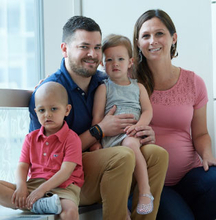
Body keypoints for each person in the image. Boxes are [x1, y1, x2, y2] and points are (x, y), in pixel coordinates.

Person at [28, 16, 168, 220]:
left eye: (97, 47)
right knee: (123, 155)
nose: (92, 54)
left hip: (103, 160)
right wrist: (99, 131)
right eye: (84, 47)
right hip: (64, 179)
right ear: (65, 49)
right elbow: (46, 156)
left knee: (157, 154)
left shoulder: (103, 81)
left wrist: (143, 131)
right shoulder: (50, 92)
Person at [133, 9, 216, 220]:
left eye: (159, 33)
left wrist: (207, 155)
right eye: (146, 35)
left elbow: (199, 134)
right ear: (137, 43)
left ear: (173, 38)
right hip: (153, 183)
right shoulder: (128, 83)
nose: (153, 41)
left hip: (190, 176)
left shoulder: (194, 82)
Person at [90, 34, 154, 216]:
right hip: (109, 139)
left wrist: (139, 127)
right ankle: (121, 208)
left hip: (131, 135)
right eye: (109, 60)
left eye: (120, 59)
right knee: (119, 168)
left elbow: (148, 111)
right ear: (102, 64)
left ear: (130, 62)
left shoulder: (138, 87)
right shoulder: (104, 88)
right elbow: (97, 118)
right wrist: (96, 143)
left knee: (130, 145)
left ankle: (145, 191)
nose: (115, 63)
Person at [0, 82, 84, 220]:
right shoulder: (30, 138)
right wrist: (21, 187)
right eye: (42, 110)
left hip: (63, 187)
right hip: (34, 185)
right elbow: (22, 166)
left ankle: (34, 204)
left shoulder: (72, 139)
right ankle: (40, 204)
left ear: (67, 110)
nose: (47, 115)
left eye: (54, 109)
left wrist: (42, 190)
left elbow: (65, 172)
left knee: (70, 213)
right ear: (35, 112)